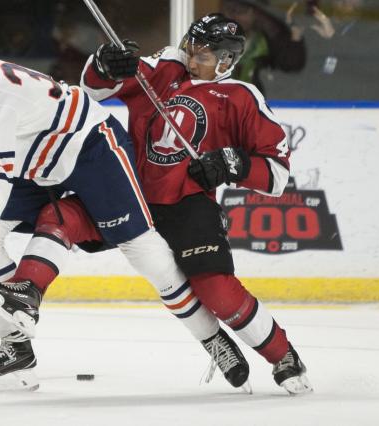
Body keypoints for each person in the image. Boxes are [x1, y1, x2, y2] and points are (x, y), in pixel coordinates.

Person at [0, 45, 249, 392]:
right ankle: (16, 346)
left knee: (143, 249)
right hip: (42, 161)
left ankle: (212, 337)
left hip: (89, 144)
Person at [74, 13, 313, 394]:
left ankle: (283, 355)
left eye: (201, 53)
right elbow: (92, 88)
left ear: (226, 60)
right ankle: (19, 323)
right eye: (190, 45)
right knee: (63, 218)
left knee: (216, 290)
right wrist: (105, 64)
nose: (190, 55)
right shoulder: (166, 66)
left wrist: (231, 165)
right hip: (133, 195)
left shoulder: (240, 97)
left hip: (188, 203)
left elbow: (277, 176)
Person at [220, 0, 306, 94]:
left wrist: (295, 38)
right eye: (229, 10)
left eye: (241, 11)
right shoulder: (214, 43)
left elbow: (291, 65)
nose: (234, 17)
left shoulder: (266, 44)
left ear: (256, 13)